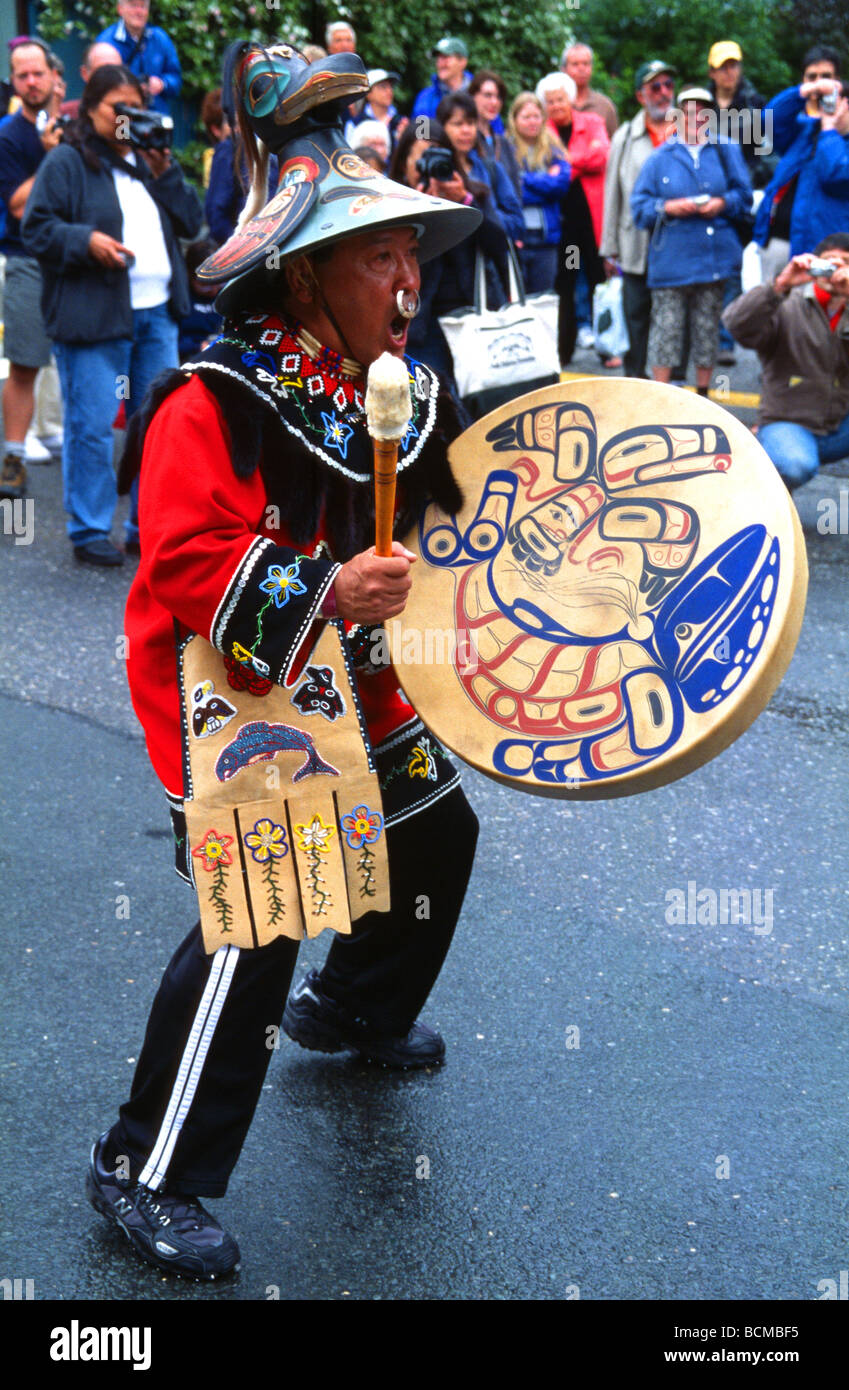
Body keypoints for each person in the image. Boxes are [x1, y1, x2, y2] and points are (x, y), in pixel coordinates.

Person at [83, 40, 480, 1280]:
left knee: (435, 824)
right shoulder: (216, 394)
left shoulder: (389, 382)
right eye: (383, 253)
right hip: (230, 675)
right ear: (310, 278)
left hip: (347, 664)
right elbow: (187, 562)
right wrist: (324, 589)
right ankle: (142, 1169)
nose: (410, 275)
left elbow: (451, 517)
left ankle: (353, 1008)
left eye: (413, 251)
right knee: (267, 903)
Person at [22, 64, 202, 565]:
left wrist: (166, 173)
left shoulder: (151, 162)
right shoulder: (66, 162)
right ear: (90, 108)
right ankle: (89, 528)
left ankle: (148, 525)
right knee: (94, 424)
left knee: (156, 426)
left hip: (157, 316)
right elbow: (37, 228)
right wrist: (85, 240)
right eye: (115, 109)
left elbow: (193, 220)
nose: (126, 120)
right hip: (95, 316)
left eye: (134, 108)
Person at [631, 86, 752, 395]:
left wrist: (721, 204)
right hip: (671, 259)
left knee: (706, 329)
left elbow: (744, 196)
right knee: (666, 330)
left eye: (702, 112)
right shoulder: (661, 157)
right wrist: (668, 207)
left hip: (714, 258)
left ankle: (703, 395)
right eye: (689, 112)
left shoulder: (726, 150)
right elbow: (639, 208)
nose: (695, 119)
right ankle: (661, 396)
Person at [722, 234, 849, 490]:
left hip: (839, 426)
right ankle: (769, 495)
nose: (835, 270)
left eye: (844, 263)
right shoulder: (788, 303)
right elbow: (735, 324)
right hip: (789, 421)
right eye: (828, 262)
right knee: (795, 464)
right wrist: (779, 285)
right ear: (813, 264)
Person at [0, 38, 62, 502]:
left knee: (78, 363)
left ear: (52, 74)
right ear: (14, 81)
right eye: (22, 75)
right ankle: (13, 457)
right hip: (27, 259)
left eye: (37, 72)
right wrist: (51, 157)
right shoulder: (8, 135)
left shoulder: (75, 126)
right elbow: (20, 207)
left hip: (73, 260)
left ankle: (75, 444)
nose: (32, 82)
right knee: (24, 362)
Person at [599, 59, 677, 379]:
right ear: (640, 96)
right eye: (654, 87)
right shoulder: (625, 136)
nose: (663, 93)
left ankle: (671, 386)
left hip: (677, 244)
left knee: (672, 318)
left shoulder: (687, 131)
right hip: (634, 244)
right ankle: (635, 381)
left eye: (668, 85)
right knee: (636, 315)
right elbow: (612, 194)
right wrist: (608, 247)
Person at [754, 46, 849, 286]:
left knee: (813, 323)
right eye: (812, 77)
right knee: (771, 319)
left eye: (827, 77)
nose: (820, 84)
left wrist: (830, 130)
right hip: (779, 247)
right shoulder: (804, 129)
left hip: (825, 256)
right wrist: (802, 92)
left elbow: (836, 175)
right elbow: (766, 122)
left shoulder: (833, 134)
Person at [537, 71, 610, 363]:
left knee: (598, 280)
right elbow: (543, 172)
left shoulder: (593, 122)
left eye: (560, 98)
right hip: (564, 223)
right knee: (564, 284)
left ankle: (607, 347)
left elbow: (601, 155)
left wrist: (566, 165)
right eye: (550, 100)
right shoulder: (543, 130)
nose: (556, 105)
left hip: (591, 220)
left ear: (571, 99)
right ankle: (563, 351)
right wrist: (577, 163)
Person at [706, 40, 770, 365]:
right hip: (705, 196)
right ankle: (706, 339)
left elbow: (767, 151)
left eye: (734, 65)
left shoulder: (756, 105)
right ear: (712, 71)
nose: (730, 71)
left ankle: (726, 339)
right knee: (708, 269)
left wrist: (749, 178)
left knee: (733, 267)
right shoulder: (701, 107)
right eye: (723, 66)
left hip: (741, 199)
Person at [437, 90, 524, 245]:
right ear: (442, 127)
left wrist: (473, 205)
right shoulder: (434, 171)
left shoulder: (492, 169)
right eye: (458, 124)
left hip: (485, 265)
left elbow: (517, 225)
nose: (466, 130)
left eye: (470, 123)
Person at [505, 92, 570, 292]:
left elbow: (560, 186)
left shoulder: (553, 148)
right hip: (518, 238)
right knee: (517, 301)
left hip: (547, 239)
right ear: (515, 120)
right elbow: (512, 193)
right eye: (526, 117)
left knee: (544, 300)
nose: (532, 122)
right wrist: (543, 183)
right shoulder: (505, 149)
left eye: (536, 116)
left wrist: (524, 178)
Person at [97, 0, 181, 114]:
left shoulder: (160, 38)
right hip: (122, 117)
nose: (139, 11)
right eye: (133, 5)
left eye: (143, 6)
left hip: (155, 116)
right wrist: (129, 90)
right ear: (120, 9)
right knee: (122, 132)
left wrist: (162, 84)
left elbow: (176, 79)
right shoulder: (107, 42)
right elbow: (97, 87)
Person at [469, 68, 521, 198]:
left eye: (498, 97)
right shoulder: (466, 140)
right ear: (472, 96)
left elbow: (516, 189)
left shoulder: (503, 142)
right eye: (488, 95)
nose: (494, 102)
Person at [561, 42, 618, 138]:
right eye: (575, 64)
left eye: (586, 64)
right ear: (564, 69)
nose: (581, 68)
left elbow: (615, 146)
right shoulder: (555, 105)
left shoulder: (605, 106)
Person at [344, 69, 407, 156]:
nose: (389, 91)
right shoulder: (355, 123)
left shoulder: (400, 122)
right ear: (368, 94)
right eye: (383, 87)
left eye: (390, 87)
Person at [413, 37, 472, 122]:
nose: (440, 62)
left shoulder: (479, 94)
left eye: (445, 57)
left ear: (462, 62)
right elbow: (421, 133)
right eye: (438, 58)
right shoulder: (425, 98)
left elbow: (492, 132)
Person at [60, 41, 123, 120]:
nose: (109, 78)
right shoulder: (66, 114)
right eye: (102, 71)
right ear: (84, 73)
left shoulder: (130, 117)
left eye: (116, 71)